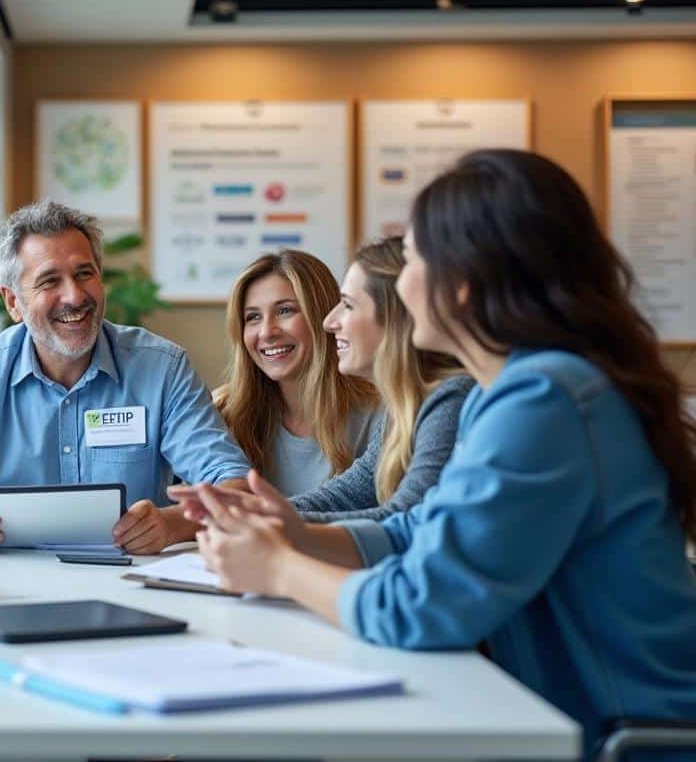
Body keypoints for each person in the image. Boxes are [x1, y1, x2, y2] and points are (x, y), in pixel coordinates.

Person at [180, 149, 696, 750]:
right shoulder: (502, 396)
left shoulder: (544, 400)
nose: (401, 283)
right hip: (562, 724)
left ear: (463, 280)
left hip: (630, 742)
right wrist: (296, 532)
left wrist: (279, 569)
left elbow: (420, 606)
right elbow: (419, 529)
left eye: (415, 257)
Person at [0, 200, 252, 554]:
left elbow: (235, 487)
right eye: (49, 281)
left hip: (131, 577)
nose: (74, 295)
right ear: (12, 303)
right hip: (13, 577)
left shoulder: (162, 368)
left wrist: (172, 524)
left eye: (84, 273)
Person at [291, 237, 473, 522]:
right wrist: (254, 512)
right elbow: (350, 493)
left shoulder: (451, 400)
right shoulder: (404, 405)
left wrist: (279, 523)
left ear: (396, 319)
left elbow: (407, 517)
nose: (329, 322)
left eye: (348, 305)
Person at [216, 250, 380, 497]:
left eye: (285, 311)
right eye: (253, 317)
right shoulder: (224, 413)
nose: (267, 332)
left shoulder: (381, 414)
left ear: (324, 315)